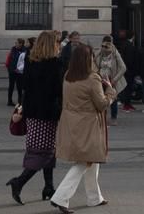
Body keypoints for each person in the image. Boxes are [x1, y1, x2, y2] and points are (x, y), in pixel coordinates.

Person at [48, 43, 111, 213]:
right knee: (85, 161)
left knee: (91, 158)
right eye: (91, 56)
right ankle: (61, 197)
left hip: (71, 121)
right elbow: (101, 104)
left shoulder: (69, 75)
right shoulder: (92, 78)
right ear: (87, 59)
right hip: (88, 124)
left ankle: (94, 197)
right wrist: (111, 92)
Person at [9, 31, 65, 204]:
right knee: (44, 152)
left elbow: (24, 87)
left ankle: (49, 186)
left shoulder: (31, 61)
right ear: (52, 44)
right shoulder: (55, 64)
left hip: (32, 112)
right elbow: (58, 90)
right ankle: (19, 182)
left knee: (44, 149)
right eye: (56, 42)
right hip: (48, 112)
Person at [95, 36, 126, 122]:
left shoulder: (115, 53)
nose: (105, 47)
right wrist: (99, 51)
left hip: (111, 79)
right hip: (101, 78)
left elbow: (123, 68)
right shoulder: (101, 53)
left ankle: (113, 117)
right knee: (100, 98)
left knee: (113, 98)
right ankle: (102, 117)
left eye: (107, 45)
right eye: (103, 45)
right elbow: (93, 61)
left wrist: (114, 80)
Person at [6, 37, 28, 105]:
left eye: (17, 43)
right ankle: (9, 100)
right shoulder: (13, 49)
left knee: (19, 87)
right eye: (15, 43)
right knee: (11, 86)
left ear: (21, 44)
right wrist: (10, 68)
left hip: (19, 72)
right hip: (12, 71)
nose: (15, 44)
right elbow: (10, 60)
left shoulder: (25, 51)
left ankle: (20, 101)